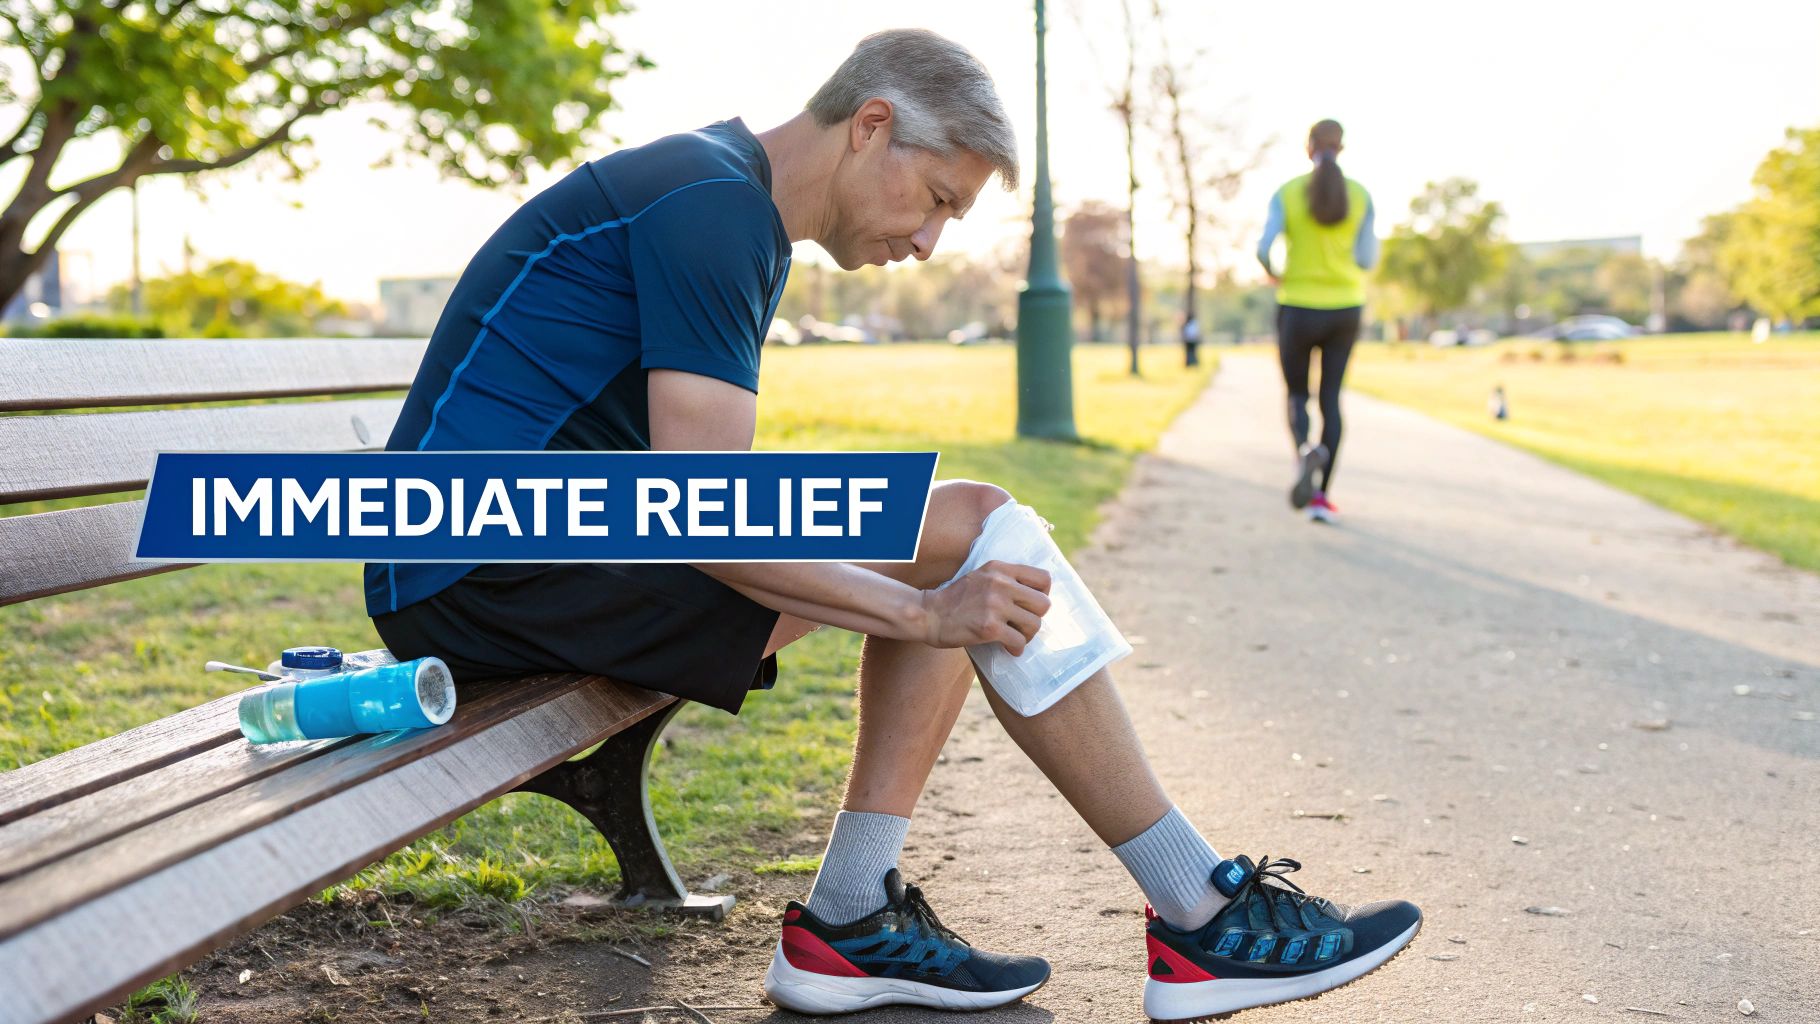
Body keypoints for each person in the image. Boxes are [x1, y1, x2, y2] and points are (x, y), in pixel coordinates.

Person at [366, 33, 1419, 1019]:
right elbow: (701, 513)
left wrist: (924, 600)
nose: (924, 241)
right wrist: (920, 614)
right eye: (933, 201)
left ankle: (855, 917)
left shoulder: (724, 196)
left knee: (971, 521)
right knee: (960, 546)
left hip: (537, 545)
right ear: (870, 126)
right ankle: (1195, 910)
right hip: (479, 570)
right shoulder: (711, 211)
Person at [1257, 118, 1378, 524]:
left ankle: (1304, 452)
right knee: (1331, 399)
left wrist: (1276, 273)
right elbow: (1366, 258)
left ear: (1309, 148)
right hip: (1345, 307)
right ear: (1340, 148)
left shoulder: (1288, 193)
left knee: (1297, 396)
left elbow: (1262, 248)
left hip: (1298, 305)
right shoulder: (1360, 195)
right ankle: (1322, 496)